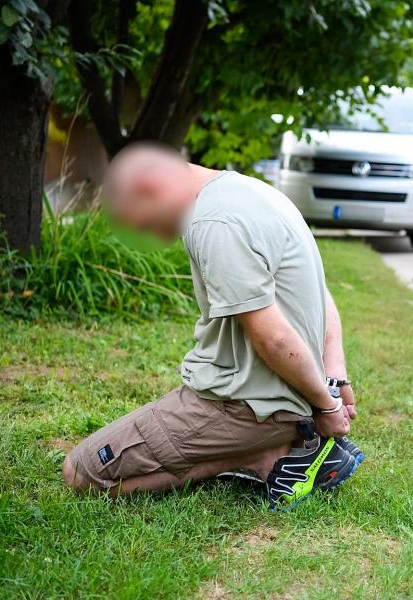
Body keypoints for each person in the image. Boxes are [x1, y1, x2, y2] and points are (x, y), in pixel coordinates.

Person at [61, 143, 362, 509]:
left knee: (82, 472)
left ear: (148, 189)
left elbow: (274, 338)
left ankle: (269, 452)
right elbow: (320, 293)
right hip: (287, 399)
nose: (156, 238)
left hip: (246, 406)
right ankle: (276, 447)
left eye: (144, 224)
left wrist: (325, 408)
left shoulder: (214, 223)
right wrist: (334, 378)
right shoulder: (256, 193)